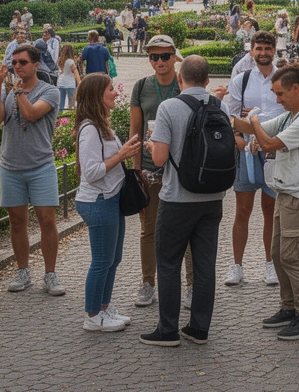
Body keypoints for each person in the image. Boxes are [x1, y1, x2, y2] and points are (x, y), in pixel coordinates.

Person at [139, 56, 229, 347]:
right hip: (213, 197)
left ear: (180, 79)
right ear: (206, 80)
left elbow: (159, 159)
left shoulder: (169, 107)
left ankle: (168, 330)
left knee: (167, 263)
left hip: (178, 198)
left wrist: (152, 143)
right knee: (205, 265)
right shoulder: (221, 106)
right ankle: (199, 329)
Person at [233, 66, 299, 341]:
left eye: (280, 94)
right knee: (276, 252)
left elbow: (269, 143)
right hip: (284, 192)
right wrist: (223, 114)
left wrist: (254, 121)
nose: (277, 100)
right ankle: (288, 308)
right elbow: (250, 128)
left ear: (296, 89)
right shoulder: (290, 116)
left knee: (290, 256)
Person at [0, 43, 65, 295]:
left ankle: (50, 274)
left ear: (36, 64)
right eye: (14, 63)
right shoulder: (10, 91)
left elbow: (31, 114)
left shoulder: (50, 91)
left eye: (22, 62)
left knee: (47, 220)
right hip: (11, 166)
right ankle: (23, 271)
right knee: (17, 222)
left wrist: (18, 92)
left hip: (40, 165)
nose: (17, 67)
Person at [128, 35, 192, 307]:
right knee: (149, 229)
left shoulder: (184, 84)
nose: (160, 61)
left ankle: (191, 284)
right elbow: (135, 130)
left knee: (187, 230)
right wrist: (135, 171)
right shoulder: (142, 87)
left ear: (175, 56)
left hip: (180, 166)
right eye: (154, 56)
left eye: (165, 56)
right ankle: (147, 283)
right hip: (150, 166)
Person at [75, 73, 142, 331]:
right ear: (97, 96)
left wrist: (127, 149)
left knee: (113, 259)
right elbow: (91, 172)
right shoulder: (90, 129)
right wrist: (123, 153)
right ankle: (92, 316)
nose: (116, 93)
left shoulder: (101, 124)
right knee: (102, 261)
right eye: (111, 89)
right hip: (98, 200)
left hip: (111, 198)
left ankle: (103, 308)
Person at [224, 31, 281, 287]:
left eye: (268, 48)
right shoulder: (242, 80)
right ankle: (237, 265)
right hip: (246, 150)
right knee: (243, 210)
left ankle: (270, 264)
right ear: (252, 50)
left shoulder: (282, 77)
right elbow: (232, 115)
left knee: (270, 210)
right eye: (259, 48)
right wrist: (238, 138)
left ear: (275, 49)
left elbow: (289, 110)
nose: (263, 53)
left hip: (274, 151)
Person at [56, 43, 80, 113]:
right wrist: (79, 82)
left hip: (61, 83)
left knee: (61, 103)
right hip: (70, 83)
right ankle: (72, 116)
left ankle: (59, 117)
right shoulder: (70, 61)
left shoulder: (60, 60)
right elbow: (76, 73)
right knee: (73, 103)